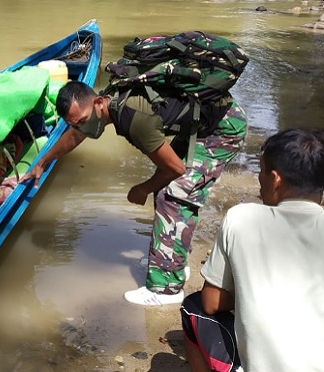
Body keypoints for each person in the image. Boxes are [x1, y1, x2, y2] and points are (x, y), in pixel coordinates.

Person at [22, 81, 247, 305]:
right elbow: (74, 137)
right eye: (76, 124)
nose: (83, 128)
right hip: (203, 124)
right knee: (165, 186)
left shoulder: (134, 119)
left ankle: (166, 289)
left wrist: (141, 189)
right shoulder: (106, 106)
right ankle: (172, 264)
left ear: (99, 102)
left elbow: (176, 169)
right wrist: (42, 162)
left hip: (223, 129)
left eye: (83, 121)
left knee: (173, 195)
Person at [180, 128, 324, 372]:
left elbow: (211, 302)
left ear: (275, 179)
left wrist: (255, 289)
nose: (259, 180)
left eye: (261, 171)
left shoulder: (242, 218)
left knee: (192, 307)